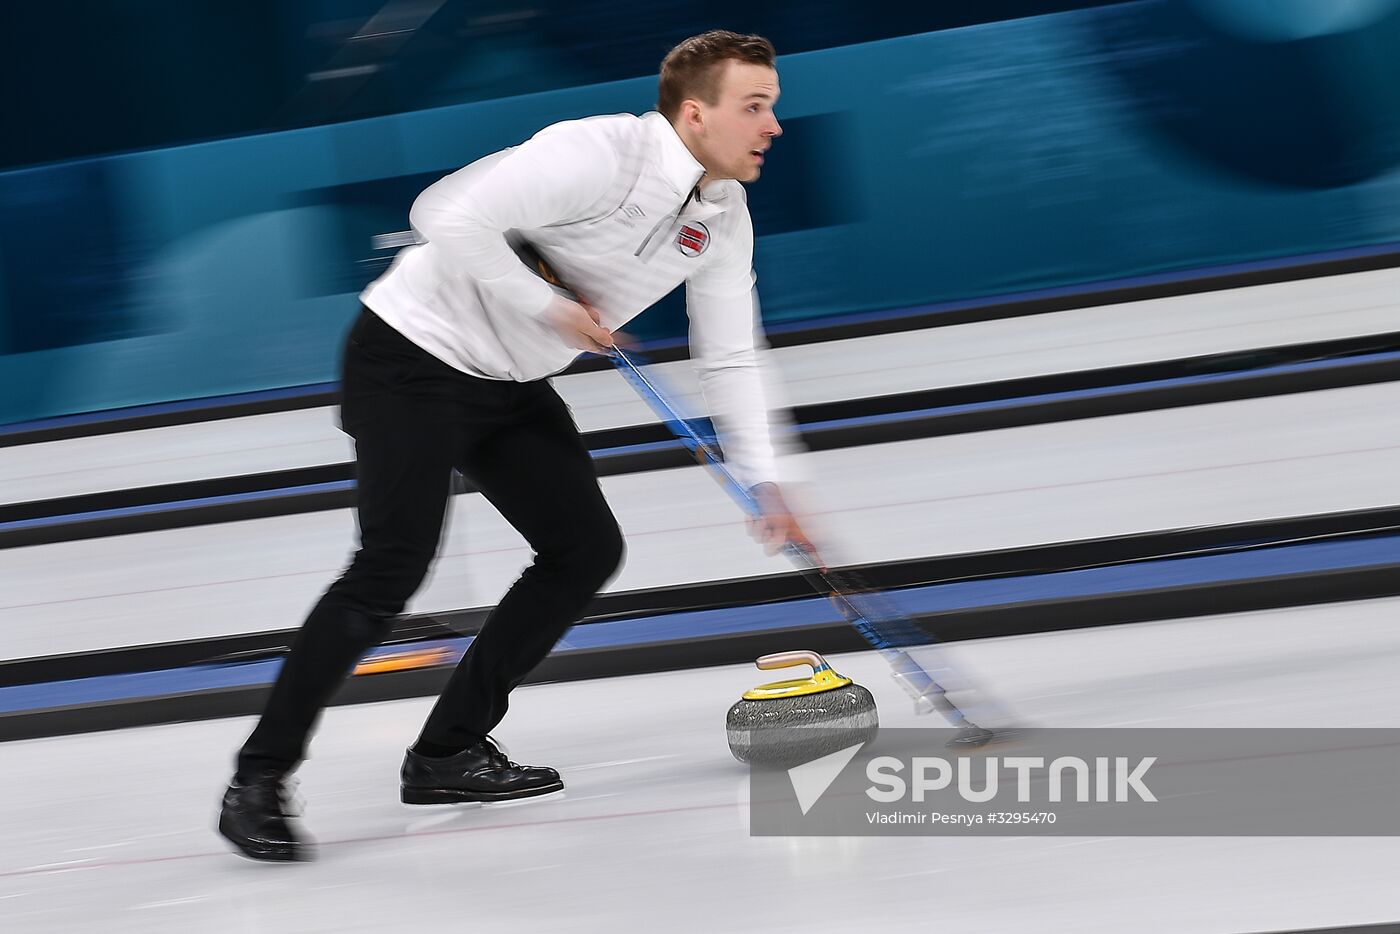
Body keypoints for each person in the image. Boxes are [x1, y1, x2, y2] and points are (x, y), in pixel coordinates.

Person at [218, 29, 807, 862]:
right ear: (694, 112)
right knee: (391, 566)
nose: (771, 126)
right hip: (410, 358)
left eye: (772, 107)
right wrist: (547, 306)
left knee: (583, 550)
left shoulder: (722, 216)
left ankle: (448, 751)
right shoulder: (598, 153)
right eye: (754, 108)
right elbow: (441, 214)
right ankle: (258, 778)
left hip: (508, 383)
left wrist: (766, 481)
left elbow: (730, 353)